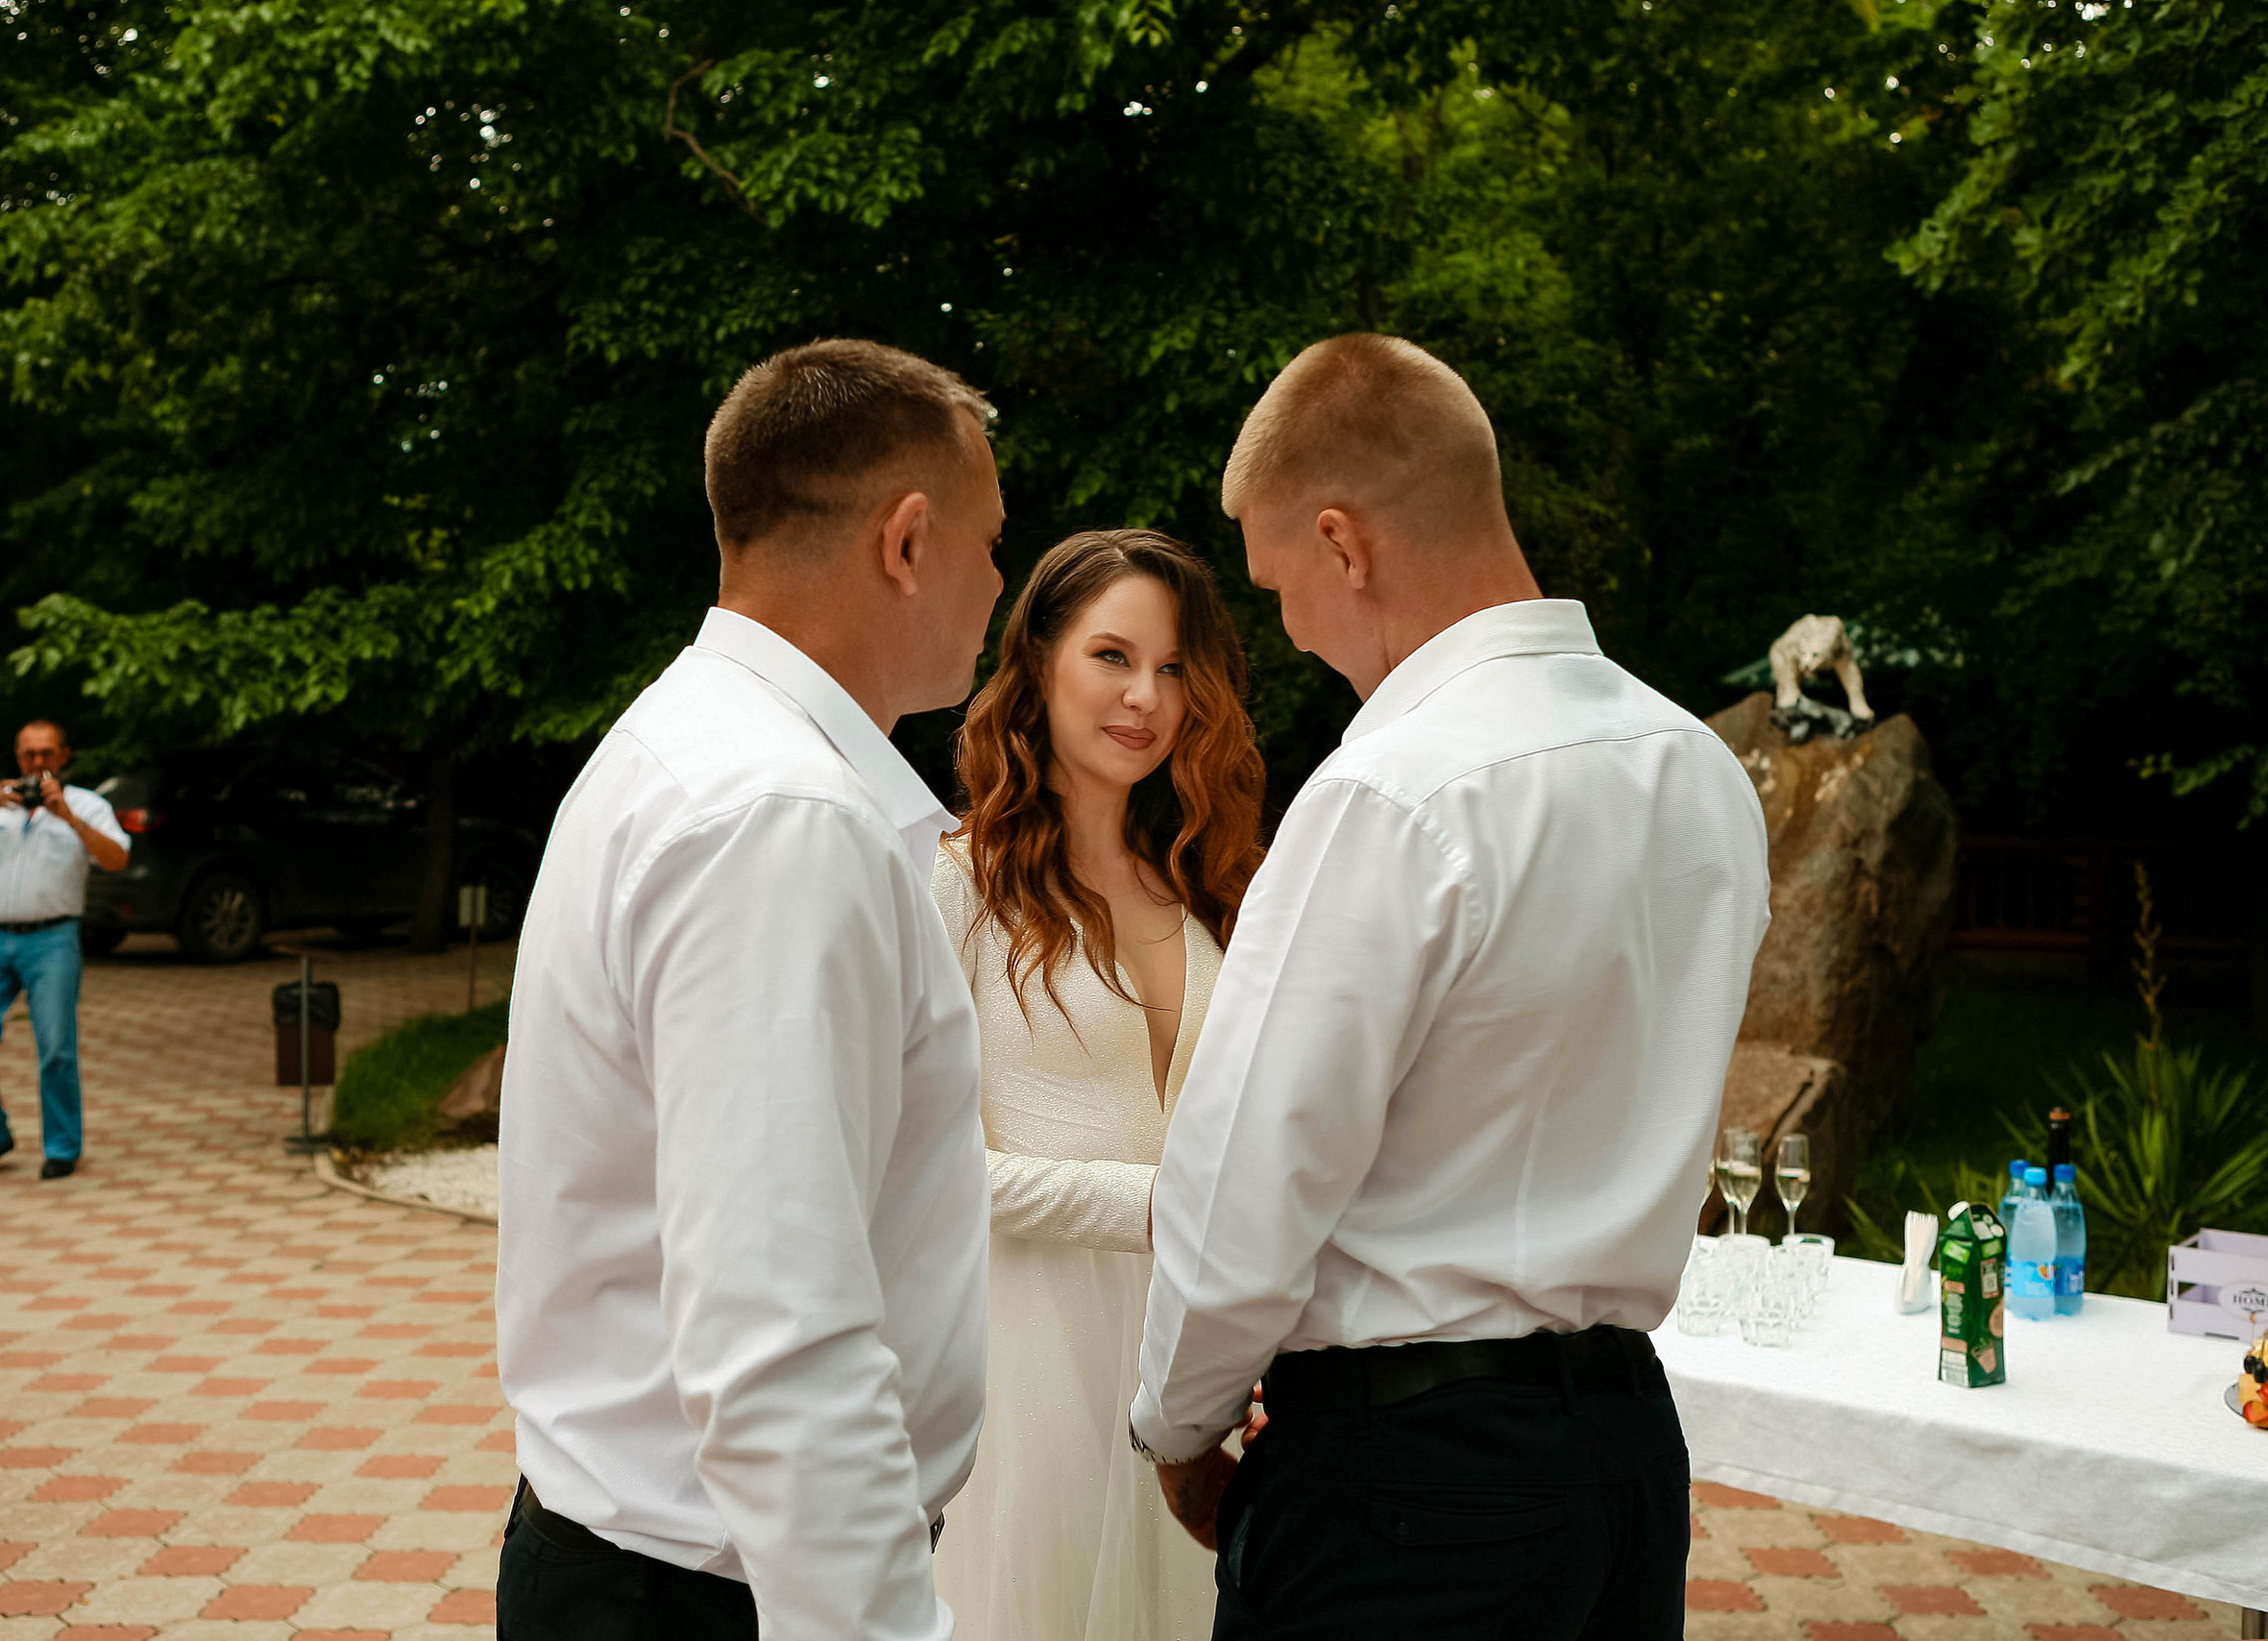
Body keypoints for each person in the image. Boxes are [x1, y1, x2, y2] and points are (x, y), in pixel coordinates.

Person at [1128, 334, 1773, 1637]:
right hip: (1626, 1459)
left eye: (1279, 585)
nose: (1289, 629)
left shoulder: (1392, 791)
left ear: (1343, 544)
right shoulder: (1696, 768)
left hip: (1407, 1487)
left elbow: (1251, 1169)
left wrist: (1180, 1422)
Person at [496, 338, 1006, 1641]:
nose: (999, 583)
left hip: (660, 1568)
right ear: (907, 541)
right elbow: (779, 1334)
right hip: (711, 1594)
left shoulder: (695, 750)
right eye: (990, 542)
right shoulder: (778, 815)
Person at [930, 530, 1264, 1640]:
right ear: (1037, 663)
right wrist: (1154, 1206)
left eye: (1172, 667)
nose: (1145, 697)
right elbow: (918, 1167)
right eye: (1111, 655)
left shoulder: (1207, 884)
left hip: (1194, 1357)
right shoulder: (956, 883)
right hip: (1029, 1359)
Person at [0, 719, 132, 1180]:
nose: (38, 762)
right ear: (17, 757)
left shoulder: (87, 805)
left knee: (56, 1046)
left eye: (47, 753)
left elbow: (117, 858)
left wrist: (69, 818)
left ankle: (62, 1147)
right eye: (29, 754)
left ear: (63, 756)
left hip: (52, 938)